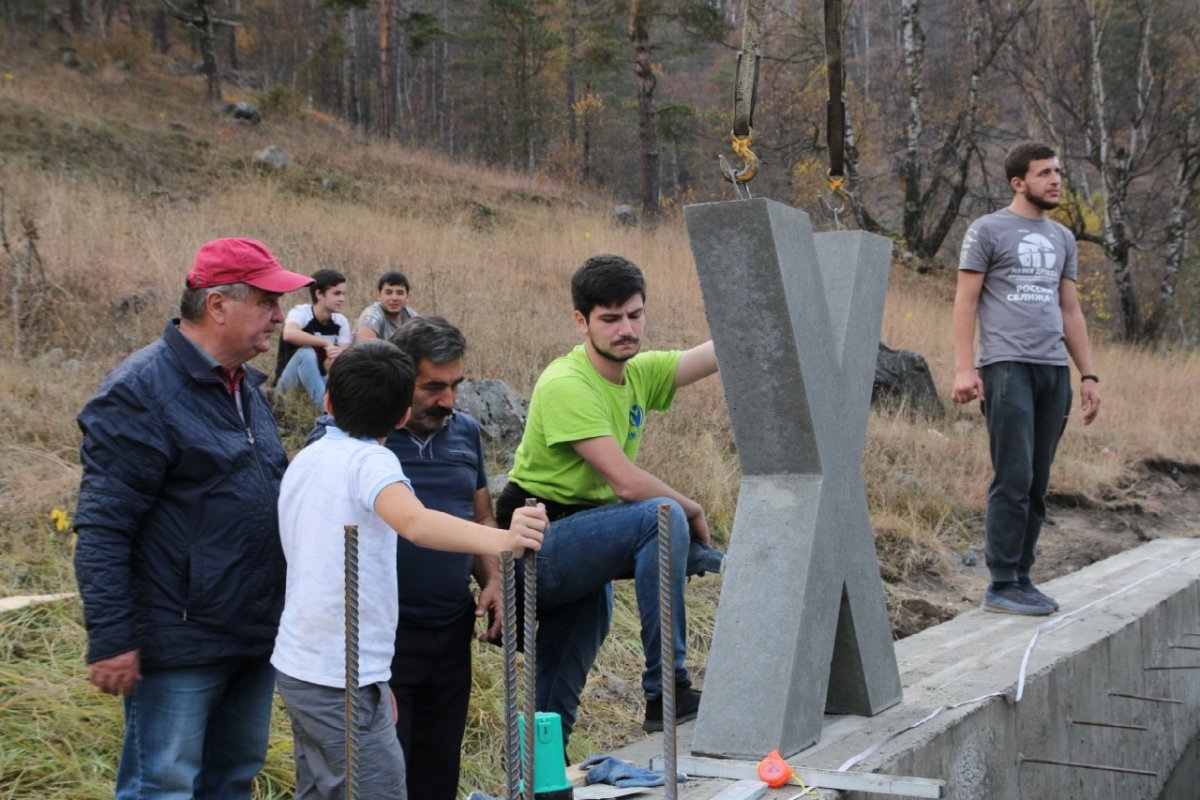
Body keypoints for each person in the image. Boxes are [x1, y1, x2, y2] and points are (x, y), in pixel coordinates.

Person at [73, 237, 313, 799]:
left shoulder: (243, 387)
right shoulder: (140, 393)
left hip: (252, 631)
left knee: (233, 779)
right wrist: (111, 636)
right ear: (218, 305)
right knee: (163, 785)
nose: (279, 316)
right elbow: (104, 526)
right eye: (266, 301)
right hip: (179, 641)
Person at [271, 340, 547, 800]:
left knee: (320, 791)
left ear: (327, 401)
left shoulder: (309, 457)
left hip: (304, 666)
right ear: (402, 416)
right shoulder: (371, 461)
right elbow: (415, 522)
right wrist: (506, 540)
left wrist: (375, 683)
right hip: (340, 675)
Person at [495, 254, 721, 747]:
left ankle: (536, 781)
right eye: (610, 318)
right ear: (582, 321)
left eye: (635, 315)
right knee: (661, 518)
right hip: (536, 540)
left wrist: (763, 299)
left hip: (587, 535)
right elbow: (627, 485)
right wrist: (693, 507)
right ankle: (669, 691)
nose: (626, 329)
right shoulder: (565, 383)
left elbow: (718, 351)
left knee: (553, 700)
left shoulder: (638, 371)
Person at [305, 316, 501, 799]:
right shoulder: (353, 442)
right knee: (385, 775)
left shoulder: (465, 433)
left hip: (450, 631)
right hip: (379, 646)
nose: (448, 400)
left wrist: (494, 579)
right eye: (433, 386)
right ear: (398, 379)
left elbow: (481, 518)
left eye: (455, 385)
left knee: (438, 771)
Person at [952, 141, 1101, 616]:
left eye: (1058, 171)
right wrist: (963, 368)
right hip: (1006, 364)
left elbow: (1070, 309)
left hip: (1053, 370)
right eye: (1044, 174)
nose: (1055, 180)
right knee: (1013, 474)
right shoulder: (988, 230)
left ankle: (1023, 576)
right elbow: (965, 301)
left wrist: (1089, 375)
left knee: (1037, 480)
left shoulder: (1063, 239)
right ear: (1019, 183)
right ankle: (999, 583)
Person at [275, 268, 351, 407]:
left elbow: (343, 359)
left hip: (318, 381)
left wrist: (338, 356)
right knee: (305, 353)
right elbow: (289, 334)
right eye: (336, 293)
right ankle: (326, 411)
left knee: (353, 368)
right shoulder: (300, 312)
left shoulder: (341, 321)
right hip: (288, 386)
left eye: (343, 294)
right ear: (319, 294)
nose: (342, 299)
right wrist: (325, 343)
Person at [355, 270, 419, 341]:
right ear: (379, 295)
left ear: (407, 296)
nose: (394, 298)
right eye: (388, 293)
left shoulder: (411, 316)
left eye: (400, 293)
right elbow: (365, 348)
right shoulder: (371, 316)